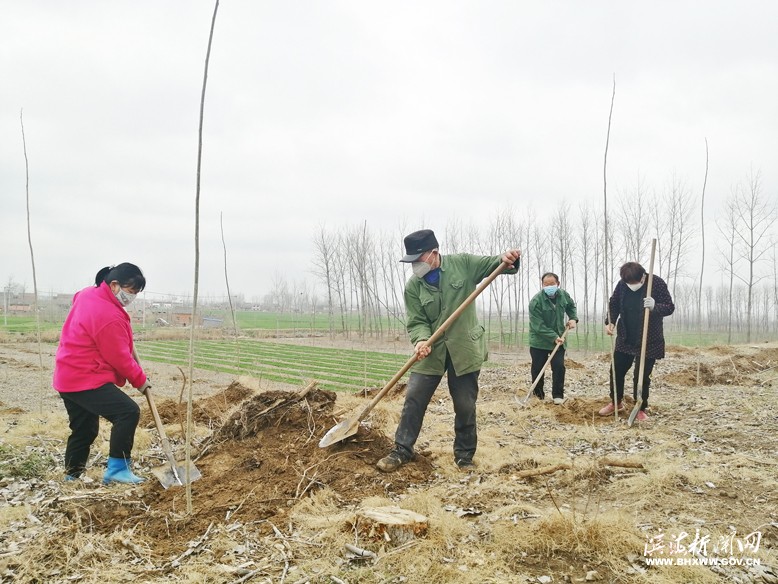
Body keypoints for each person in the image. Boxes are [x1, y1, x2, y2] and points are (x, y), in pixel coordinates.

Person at [376, 229, 521, 472]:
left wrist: (506, 259)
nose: (415, 267)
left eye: (418, 260)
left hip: (464, 347)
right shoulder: (414, 286)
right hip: (431, 349)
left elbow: (495, 264)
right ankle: (402, 450)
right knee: (414, 398)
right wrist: (422, 340)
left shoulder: (463, 264)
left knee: (465, 404)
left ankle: (464, 457)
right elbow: (416, 320)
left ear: (433, 253)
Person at [53, 263, 151, 484]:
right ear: (114, 285)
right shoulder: (108, 316)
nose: (132, 296)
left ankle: (71, 475)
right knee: (127, 412)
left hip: (67, 375)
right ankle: (117, 471)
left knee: (84, 429)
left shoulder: (88, 294)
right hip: (85, 377)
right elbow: (119, 358)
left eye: (136, 293)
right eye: (131, 290)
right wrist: (141, 381)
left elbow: (78, 298)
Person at [599, 261, 675, 421]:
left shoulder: (656, 283)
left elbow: (669, 307)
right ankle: (616, 402)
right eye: (629, 283)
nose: (632, 286)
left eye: (635, 283)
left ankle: (640, 407)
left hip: (649, 338)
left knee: (641, 375)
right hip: (626, 336)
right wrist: (611, 321)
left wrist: (655, 306)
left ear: (642, 276)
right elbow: (614, 304)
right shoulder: (622, 284)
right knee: (616, 370)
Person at [528, 272, 578, 404]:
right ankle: (538, 397)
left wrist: (573, 319)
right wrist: (553, 336)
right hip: (539, 341)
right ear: (542, 285)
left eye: (552, 284)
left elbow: (571, 307)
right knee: (538, 368)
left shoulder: (563, 295)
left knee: (559, 366)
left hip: (559, 338)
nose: (549, 286)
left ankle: (558, 396)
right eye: (546, 284)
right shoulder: (536, 301)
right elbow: (537, 325)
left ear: (558, 284)